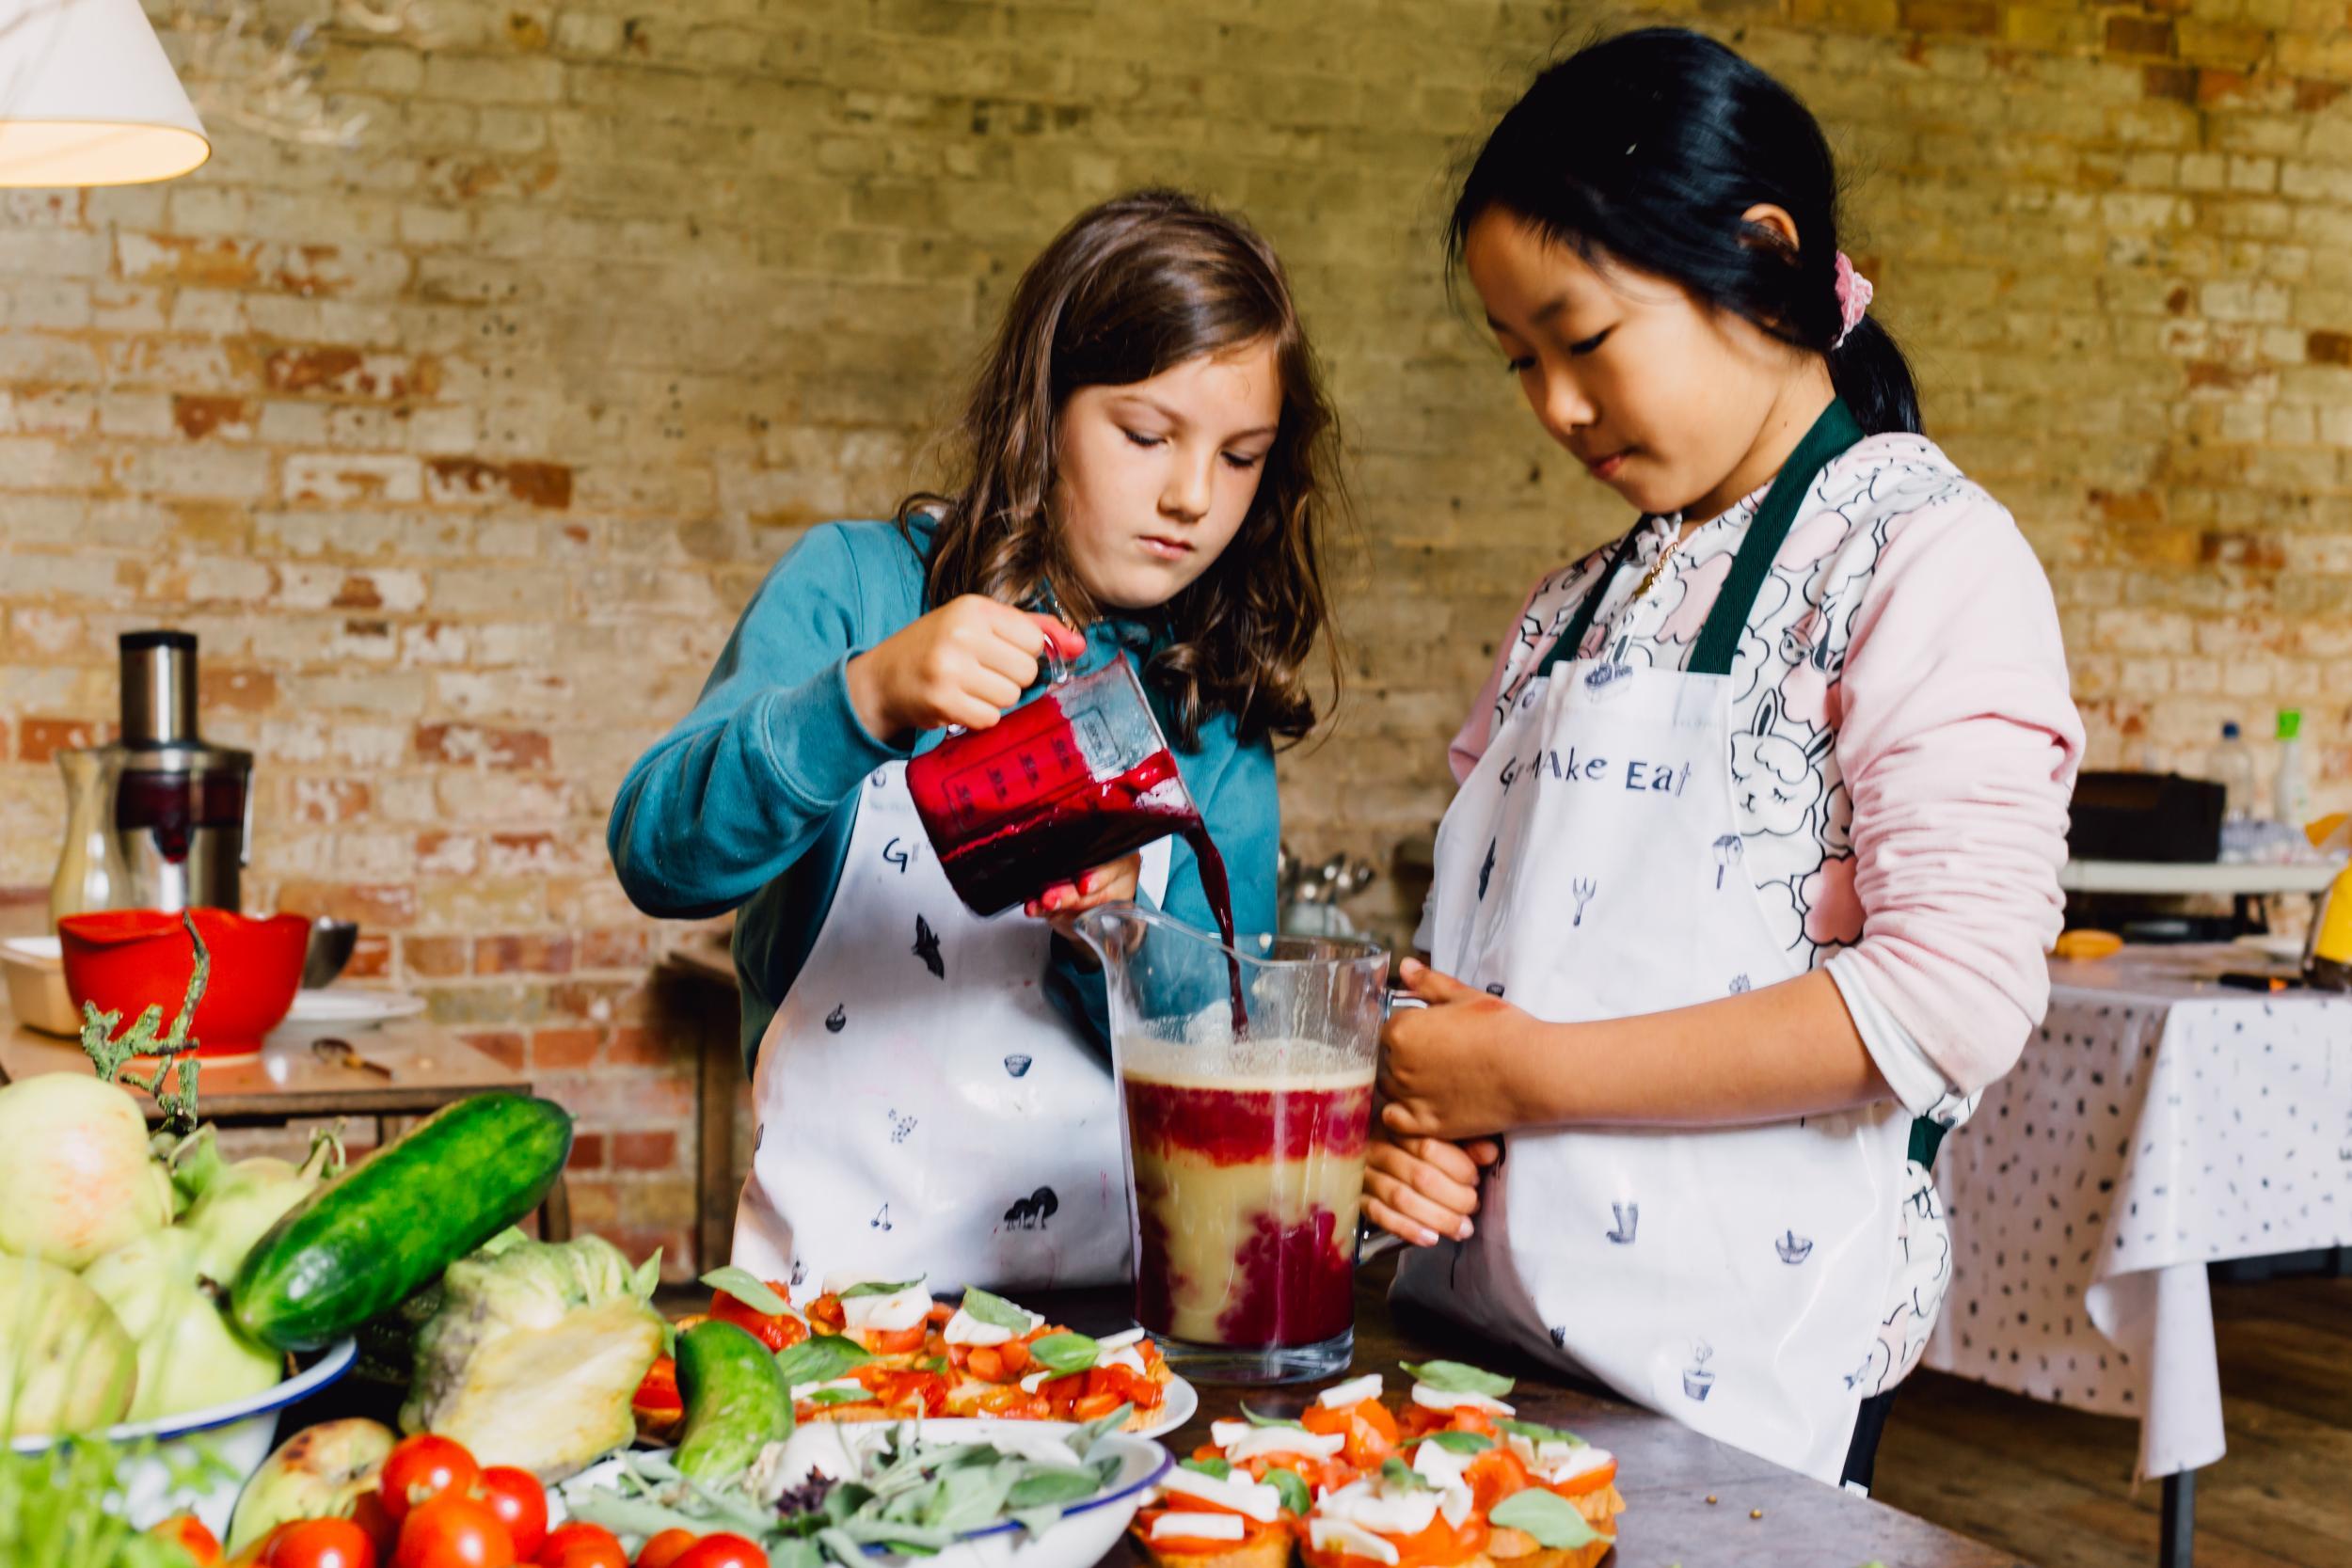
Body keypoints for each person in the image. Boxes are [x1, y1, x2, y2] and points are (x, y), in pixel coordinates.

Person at [1363, 29, 2083, 1488]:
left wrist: (1530, 1075)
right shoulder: (1568, 611)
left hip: (1733, 1384)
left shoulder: (1926, 557)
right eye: (1520, 360)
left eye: (1585, 340)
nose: (1555, 405)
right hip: (1479, 1348)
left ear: (1761, 255)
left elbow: (1954, 999)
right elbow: (1476, 972)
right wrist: (1417, 1101)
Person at [611, 189, 1343, 1295]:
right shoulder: (855, 592)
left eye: (1241, 456)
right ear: (1044, 407)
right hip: (833, 1312)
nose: (1193, 495)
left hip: (1107, 1327)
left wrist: (1120, 934)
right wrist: (863, 700)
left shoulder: (1213, 704)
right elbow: (659, 854)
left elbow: (1216, 1064)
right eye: (1146, 435)